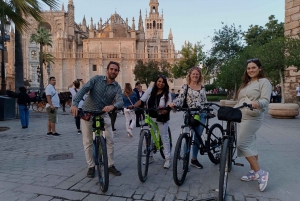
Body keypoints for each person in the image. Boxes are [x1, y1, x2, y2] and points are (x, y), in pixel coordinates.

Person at [70, 61, 123, 178]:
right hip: (88, 113)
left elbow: (120, 100)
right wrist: (75, 104)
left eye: (116, 70)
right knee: (88, 141)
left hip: (103, 113)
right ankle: (91, 166)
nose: (113, 71)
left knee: (110, 140)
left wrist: (112, 106)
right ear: (107, 70)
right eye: (111, 69)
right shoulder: (96, 79)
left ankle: (110, 165)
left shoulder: (117, 87)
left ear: (118, 72)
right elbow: (84, 89)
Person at [235, 58, 272, 192]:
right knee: (250, 144)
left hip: (253, 116)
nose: (250, 70)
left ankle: (261, 173)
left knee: (242, 144)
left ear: (259, 69)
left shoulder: (264, 82)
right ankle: (252, 172)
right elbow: (241, 101)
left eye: (253, 67)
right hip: (242, 116)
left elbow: (265, 99)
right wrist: (229, 110)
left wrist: (258, 103)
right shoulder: (247, 84)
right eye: (249, 68)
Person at [129, 75, 172, 169]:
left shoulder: (167, 94)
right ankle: (150, 156)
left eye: (163, 82)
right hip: (150, 115)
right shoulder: (150, 90)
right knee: (149, 136)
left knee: (164, 137)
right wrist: (134, 106)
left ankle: (167, 158)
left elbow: (169, 106)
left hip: (162, 117)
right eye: (159, 81)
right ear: (156, 82)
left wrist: (165, 110)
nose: (160, 83)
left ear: (165, 84)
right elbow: (141, 100)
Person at [169, 66, 207, 169]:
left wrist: (209, 111)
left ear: (199, 76)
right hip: (189, 114)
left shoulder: (202, 88)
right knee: (187, 137)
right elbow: (180, 98)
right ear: (190, 75)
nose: (195, 75)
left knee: (197, 138)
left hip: (201, 115)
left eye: (197, 74)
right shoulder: (185, 87)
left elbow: (205, 101)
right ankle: (185, 158)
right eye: (193, 74)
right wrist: (173, 103)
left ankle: (194, 159)